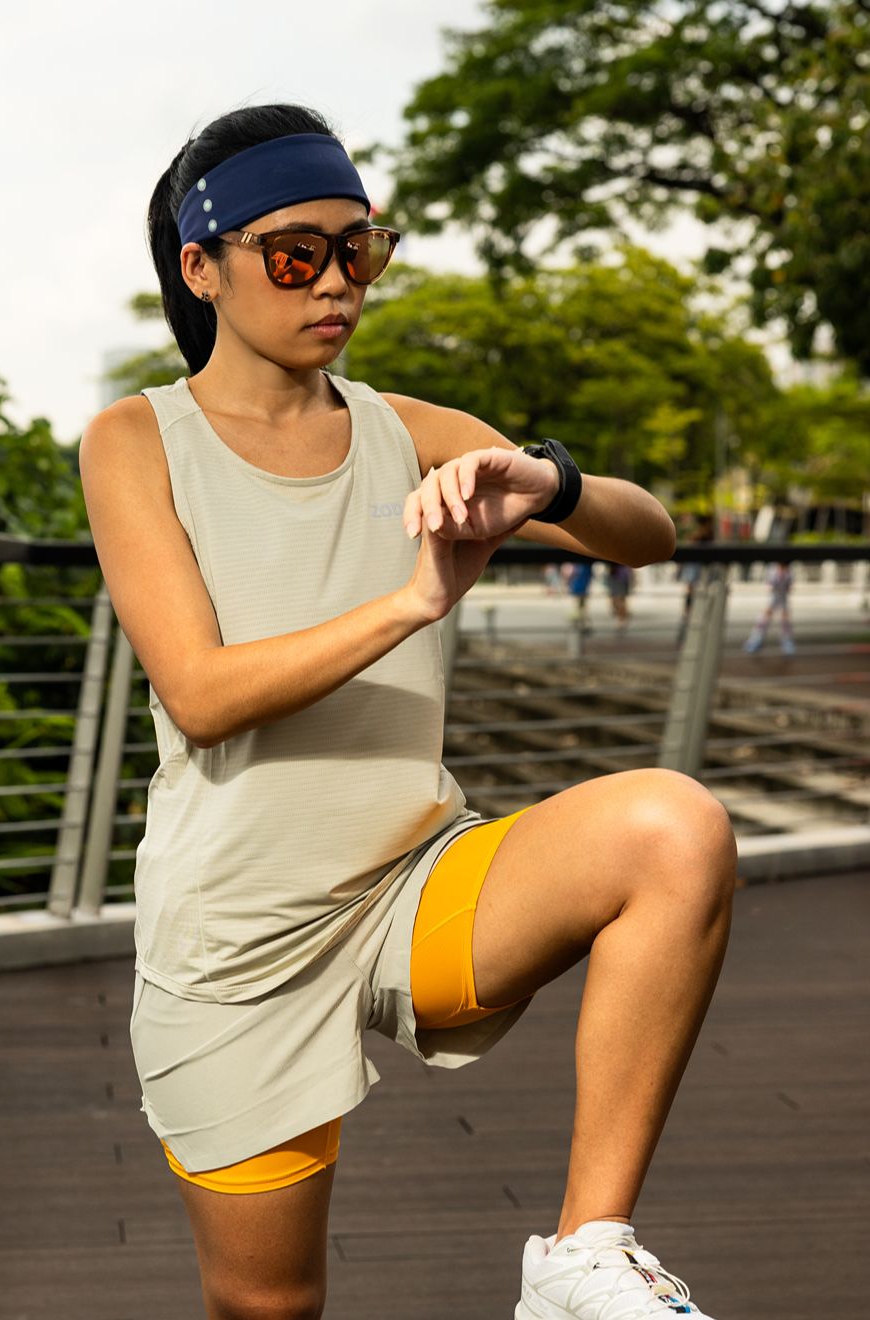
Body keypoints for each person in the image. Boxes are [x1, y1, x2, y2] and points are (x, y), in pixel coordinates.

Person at [78, 104, 736, 1320]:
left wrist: (549, 478)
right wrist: (414, 600)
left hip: (412, 888)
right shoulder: (135, 442)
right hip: (239, 943)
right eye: (295, 254)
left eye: (359, 249)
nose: (336, 282)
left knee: (674, 828)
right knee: (271, 1306)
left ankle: (583, 1257)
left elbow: (651, 535)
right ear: (201, 267)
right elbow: (202, 693)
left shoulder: (406, 428)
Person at [675, 514, 714, 648]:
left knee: (691, 605)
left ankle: (686, 632)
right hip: (699, 578)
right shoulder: (701, 537)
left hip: (697, 578)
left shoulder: (696, 537)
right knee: (693, 605)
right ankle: (687, 632)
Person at [744, 561, 795, 655]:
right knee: (765, 619)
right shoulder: (773, 570)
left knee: (785, 620)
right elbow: (770, 585)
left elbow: (789, 586)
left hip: (782, 597)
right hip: (774, 596)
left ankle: (786, 642)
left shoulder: (789, 571)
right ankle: (755, 640)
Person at [605, 560, 635, 630]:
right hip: (615, 578)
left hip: (621, 579)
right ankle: (622, 617)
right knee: (617, 600)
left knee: (620, 600)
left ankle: (622, 618)